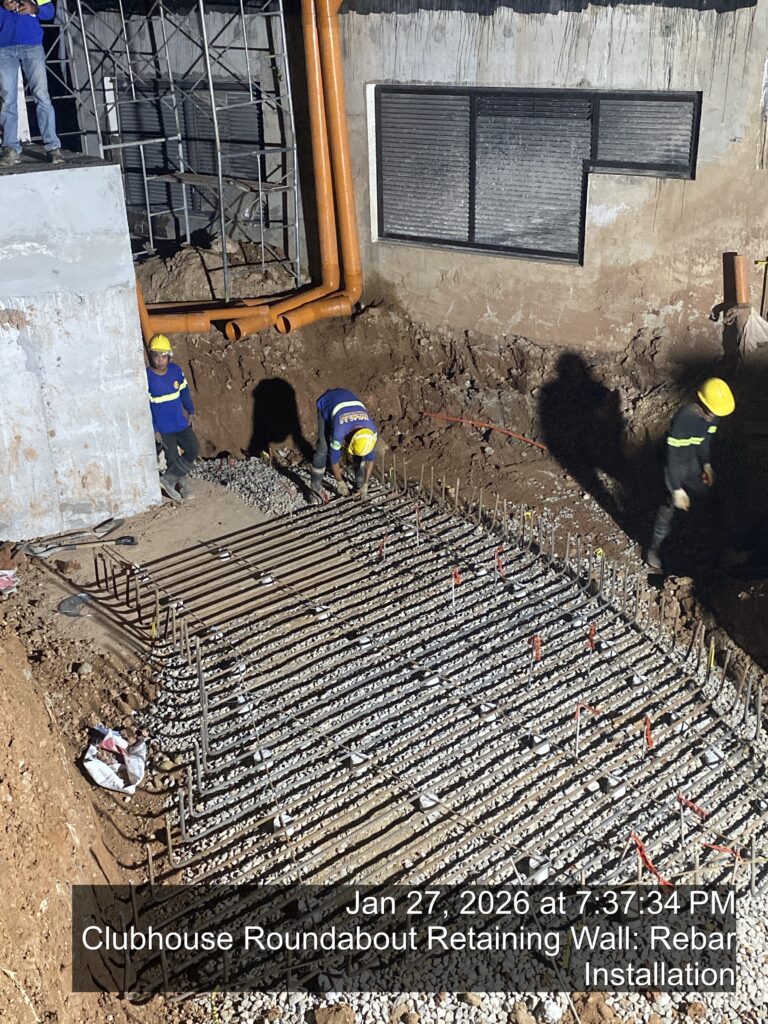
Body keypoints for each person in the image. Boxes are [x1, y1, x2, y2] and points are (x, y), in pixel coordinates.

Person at [646, 377, 735, 571]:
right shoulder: (685, 418)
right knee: (667, 510)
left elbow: (704, 441)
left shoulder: (714, 415)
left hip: (692, 463)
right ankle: (655, 551)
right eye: (712, 411)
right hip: (673, 466)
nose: (714, 416)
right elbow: (673, 457)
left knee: (708, 501)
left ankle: (714, 549)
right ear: (702, 402)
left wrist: (707, 465)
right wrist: (676, 488)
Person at [0, 0, 63, 166]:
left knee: (42, 95)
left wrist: (34, 8)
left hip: (32, 45)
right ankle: (10, 149)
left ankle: (53, 148)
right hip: (3, 47)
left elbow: (49, 11)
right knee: (8, 99)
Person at [146, 334, 199, 502]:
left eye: (163, 356)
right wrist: (154, 429)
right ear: (151, 356)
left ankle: (168, 480)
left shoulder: (176, 371)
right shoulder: (147, 377)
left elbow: (184, 391)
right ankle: (181, 485)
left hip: (180, 423)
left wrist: (190, 410)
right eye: (156, 356)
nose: (159, 360)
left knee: (193, 449)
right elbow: (146, 407)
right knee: (172, 458)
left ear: (169, 356)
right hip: (163, 428)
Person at [310, 387, 377, 503]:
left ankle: (359, 484)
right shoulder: (340, 430)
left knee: (360, 451)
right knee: (323, 448)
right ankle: (315, 489)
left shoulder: (371, 434)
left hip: (348, 398)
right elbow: (334, 457)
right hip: (328, 401)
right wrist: (339, 481)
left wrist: (365, 484)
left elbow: (370, 459)